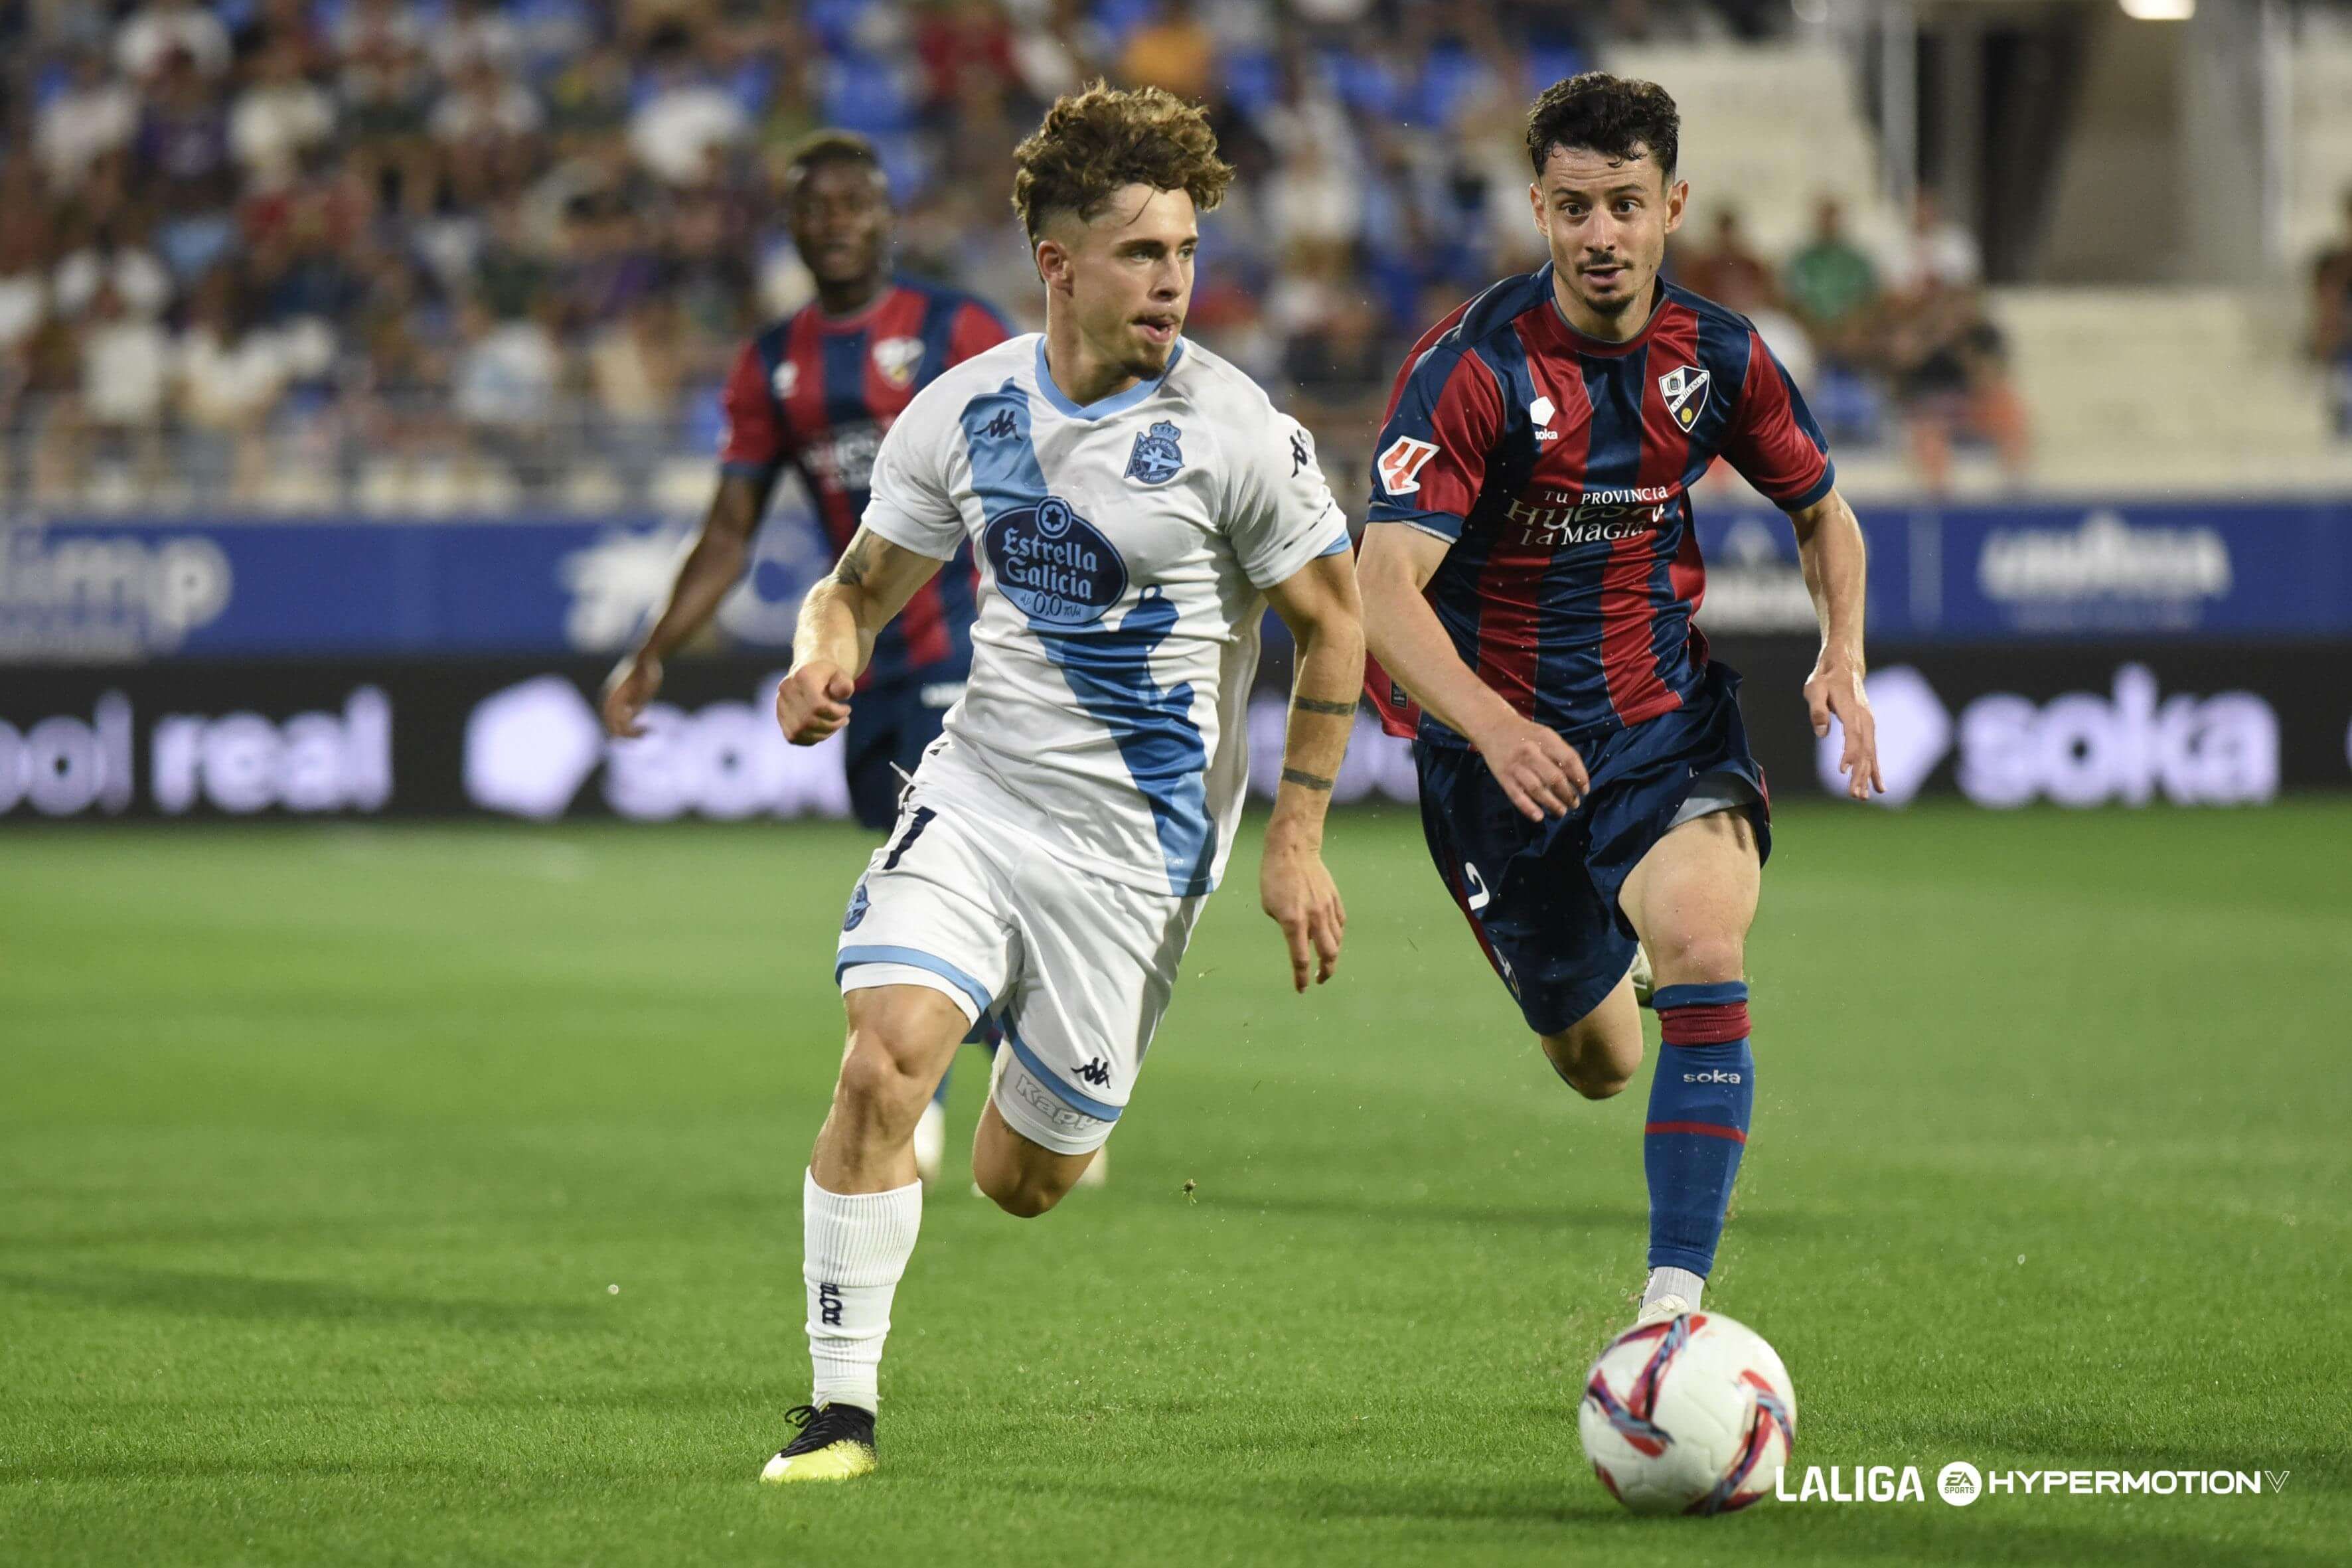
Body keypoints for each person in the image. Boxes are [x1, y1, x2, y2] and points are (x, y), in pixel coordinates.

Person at [757, 81, 1364, 1484]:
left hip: (1135, 863)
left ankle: (1025, 1111)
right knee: (880, 1059)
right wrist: (817, 655)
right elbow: (851, 587)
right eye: (1145, 253)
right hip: (978, 797)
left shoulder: (1232, 430)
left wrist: (1296, 839)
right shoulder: (962, 414)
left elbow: (1335, 621)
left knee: (1017, 1184)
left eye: (1187, 254)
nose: (1173, 283)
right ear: (1058, 264)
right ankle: (838, 1411)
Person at [1354, 73, 1882, 1334]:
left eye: (1627, 206)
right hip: (1492, 748)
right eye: (1576, 207)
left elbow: (1825, 513)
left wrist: (1842, 653)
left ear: (1672, 207)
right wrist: (1491, 724)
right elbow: (1381, 586)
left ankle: (1671, 1311)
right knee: (1600, 1062)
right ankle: (1604, 961)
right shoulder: (1470, 370)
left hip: (1659, 715)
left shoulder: (1721, 356)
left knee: (1706, 946)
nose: (1602, 235)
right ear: (1538, 206)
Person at [602, 130, 1015, 1185]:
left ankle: (937, 1097)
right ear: (790, 228)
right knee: (923, 859)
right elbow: (731, 529)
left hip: (972, 648)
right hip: (860, 657)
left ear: (888, 215)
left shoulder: (957, 327)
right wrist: (653, 652)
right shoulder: (774, 363)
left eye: (853, 202)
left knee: (930, 870)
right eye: (813, 206)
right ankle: (1028, 1062)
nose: (834, 221)